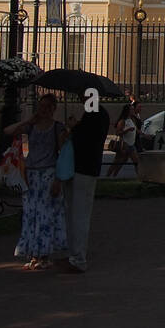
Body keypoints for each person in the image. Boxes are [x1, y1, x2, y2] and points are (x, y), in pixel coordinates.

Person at [4, 93, 67, 271]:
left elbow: (63, 155)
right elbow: (8, 131)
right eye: (41, 106)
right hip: (31, 175)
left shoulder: (58, 128)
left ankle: (44, 254)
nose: (44, 110)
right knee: (31, 214)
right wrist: (28, 121)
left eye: (48, 107)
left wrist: (58, 180)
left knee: (45, 216)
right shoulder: (31, 127)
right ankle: (33, 254)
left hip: (48, 173)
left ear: (54, 109)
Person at [61, 98, 111, 274]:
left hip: (82, 168)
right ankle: (74, 254)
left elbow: (84, 140)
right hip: (87, 168)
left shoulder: (93, 115)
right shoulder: (100, 114)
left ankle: (77, 257)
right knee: (76, 213)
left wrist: (74, 126)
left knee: (77, 215)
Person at [107, 102, 139, 177]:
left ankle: (140, 177)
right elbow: (118, 133)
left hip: (131, 145)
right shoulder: (122, 121)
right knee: (117, 162)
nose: (133, 110)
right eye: (131, 109)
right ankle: (108, 176)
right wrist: (127, 130)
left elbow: (136, 130)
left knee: (136, 162)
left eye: (133, 109)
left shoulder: (132, 119)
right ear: (127, 111)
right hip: (124, 145)